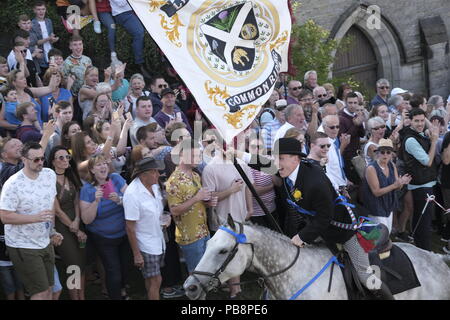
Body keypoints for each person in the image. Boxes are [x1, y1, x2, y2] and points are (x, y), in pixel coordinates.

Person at [274, 137, 394, 299]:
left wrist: (302, 236)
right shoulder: (294, 168)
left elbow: (324, 217)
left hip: (346, 232)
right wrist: (234, 155)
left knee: (367, 278)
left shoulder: (315, 183)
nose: (275, 163)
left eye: (280, 158)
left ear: (295, 158)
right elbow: (262, 164)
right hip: (324, 231)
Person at [0, 142, 62, 300]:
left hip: (44, 241)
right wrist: (33, 218)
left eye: (42, 158)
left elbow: (50, 205)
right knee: (39, 293)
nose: (40, 162)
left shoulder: (49, 175)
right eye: (35, 160)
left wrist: (52, 231)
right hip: (22, 244)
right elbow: (5, 216)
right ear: (24, 159)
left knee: (49, 289)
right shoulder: (13, 184)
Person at [202, 144, 254, 299]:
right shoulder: (210, 169)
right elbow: (208, 199)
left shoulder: (241, 163)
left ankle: (232, 287)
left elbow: (247, 188)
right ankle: (235, 292)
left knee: (238, 253)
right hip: (222, 221)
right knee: (228, 255)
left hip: (241, 218)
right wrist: (230, 190)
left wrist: (250, 209)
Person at [80, 154, 129, 300]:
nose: (103, 167)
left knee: (126, 268)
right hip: (104, 238)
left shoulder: (116, 179)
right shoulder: (87, 190)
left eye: (104, 164)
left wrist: (120, 200)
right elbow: (86, 220)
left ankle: (123, 291)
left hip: (124, 233)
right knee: (113, 271)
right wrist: (95, 201)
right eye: (98, 165)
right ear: (92, 170)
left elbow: (135, 200)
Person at [123, 157, 168, 300]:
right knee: (156, 280)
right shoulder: (132, 194)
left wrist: (167, 219)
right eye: (154, 172)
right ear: (143, 174)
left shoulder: (154, 185)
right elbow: (130, 228)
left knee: (152, 280)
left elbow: (158, 209)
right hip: (146, 244)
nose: (158, 174)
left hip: (158, 240)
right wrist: (137, 254)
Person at [166, 139, 212, 275]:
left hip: (204, 230)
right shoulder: (173, 181)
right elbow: (174, 210)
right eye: (193, 155)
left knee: (206, 270)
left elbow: (199, 202)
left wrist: (208, 202)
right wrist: (197, 198)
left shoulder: (196, 175)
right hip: (190, 236)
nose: (197, 159)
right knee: (196, 273)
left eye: (198, 155)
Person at [49, 145, 87, 300]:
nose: (65, 160)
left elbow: (77, 200)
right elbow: (56, 210)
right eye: (61, 157)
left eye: (67, 157)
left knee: (82, 264)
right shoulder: (49, 180)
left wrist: (77, 220)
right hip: (63, 226)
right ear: (53, 161)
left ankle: (82, 296)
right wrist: (75, 229)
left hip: (77, 222)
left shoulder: (70, 176)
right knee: (73, 265)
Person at [402, 108, 439, 251]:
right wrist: (434, 141)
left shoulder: (419, 134)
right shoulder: (411, 139)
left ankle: (422, 249)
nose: (420, 124)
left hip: (425, 183)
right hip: (421, 186)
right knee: (423, 222)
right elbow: (427, 162)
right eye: (416, 121)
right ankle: (425, 251)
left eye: (422, 120)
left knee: (424, 220)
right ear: (410, 121)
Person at [363, 139, 411, 233]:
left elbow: (398, 186)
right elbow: (376, 192)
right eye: (382, 152)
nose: (385, 155)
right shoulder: (371, 168)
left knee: (387, 233)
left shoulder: (392, 165)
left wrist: (402, 183)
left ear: (391, 154)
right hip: (376, 208)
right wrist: (395, 185)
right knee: (379, 237)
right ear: (378, 153)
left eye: (388, 152)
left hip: (388, 206)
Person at [109, 0, 151, 79]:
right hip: (122, 13)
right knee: (139, 33)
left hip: (138, 9)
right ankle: (140, 64)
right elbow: (120, 3)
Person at [338, 92, 366, 184]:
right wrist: (355, 125)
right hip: (347, 156)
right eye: (350, 103)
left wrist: (360, 123)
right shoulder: (341, 117)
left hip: (357, 154)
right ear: (345, 103)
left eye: (355, 103)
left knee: (361, 181)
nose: (353, 105)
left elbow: (362, 134)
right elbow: (344, 138)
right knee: (353, 183)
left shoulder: (356, 114)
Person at [30, 1, 59, 71]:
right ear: (34, 10)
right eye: (38, 9)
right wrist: (49, 38)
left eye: (43, 9)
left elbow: (51, 38)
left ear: (46, 10)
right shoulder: (31, 24)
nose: (41, 11)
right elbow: (35, 42)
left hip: (51, 53)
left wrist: (53, 39)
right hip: (41, 55)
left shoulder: (49, 21)